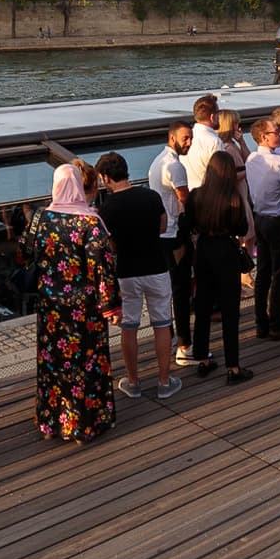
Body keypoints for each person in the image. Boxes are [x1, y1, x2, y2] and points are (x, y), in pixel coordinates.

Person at [24, 164, 120, 441]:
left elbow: (24, 252)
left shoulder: (41, 218)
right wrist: (110, 305)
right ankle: (84, 424)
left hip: (50, 306)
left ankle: (52, 422)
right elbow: (103, 267)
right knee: (86, 363)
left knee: (53, 363)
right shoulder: (90, 222)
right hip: (84, 309)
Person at [94, 152, 180, 401]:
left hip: (127, 272)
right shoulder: (151, 196)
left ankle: (133, 381)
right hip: (155, 265)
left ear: (105, 177)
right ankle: (164, 381)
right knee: (162, 323)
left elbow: (110, 246)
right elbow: (163, 227)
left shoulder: (106, 208)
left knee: (129, 326)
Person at [186, 153, 255, 382]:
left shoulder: (196, 195)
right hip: (226, 250)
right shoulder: (233, 198)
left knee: (203, 305)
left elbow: (188, 223)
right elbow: (243, 228)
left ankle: (202, 358)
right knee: (230, 310)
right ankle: (233, 366)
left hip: (204, 250)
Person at [245, 118, 280, 340]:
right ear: (264, 137)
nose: (279, 133)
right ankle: (277, 323)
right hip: (279, 219)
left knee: (264, 271)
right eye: (275, 131)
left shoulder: (251, 159)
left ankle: (261, 323)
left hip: (261, 218)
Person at [148, 121, 195, 363]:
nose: (189, 143)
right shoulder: (175, 166)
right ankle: (185, 345)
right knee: (181, 290)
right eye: (185, 138)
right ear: (172, 137)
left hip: (161, 234)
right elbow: (184, 200)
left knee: (168, 290)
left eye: (191, 138)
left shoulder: (158, 161)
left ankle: (169, 338)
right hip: (174, 233)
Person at [186, 94, 225, 189]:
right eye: (218, 115)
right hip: (210, 194)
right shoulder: (214, 141)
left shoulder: (187, 138)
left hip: (190, 195)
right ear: (212, 117)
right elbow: (221, 174)